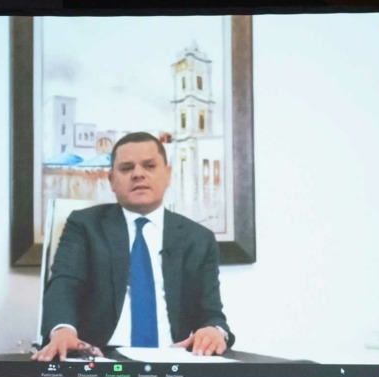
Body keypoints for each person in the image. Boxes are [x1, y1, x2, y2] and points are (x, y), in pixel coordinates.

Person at [32, 132, 232, 362]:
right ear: (111, 180)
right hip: (99, 356)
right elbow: (65, 283)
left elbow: (211, 312)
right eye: (126, 168)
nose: (138, 174)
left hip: (173, 358)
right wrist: (63, 330)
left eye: (149, 166)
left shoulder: (198, 238)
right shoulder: (85, 225)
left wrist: (213, 331)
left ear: (168, 174)